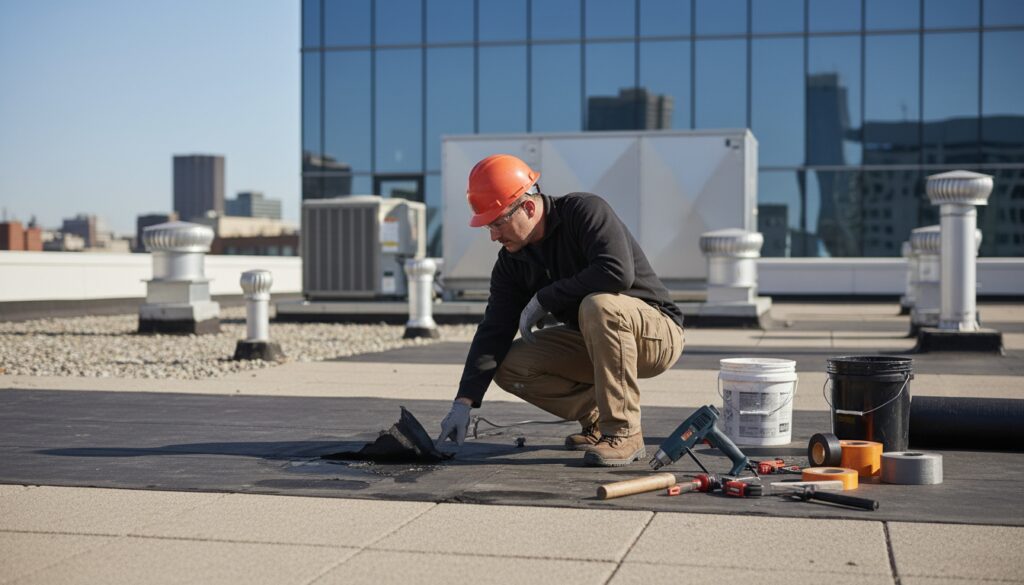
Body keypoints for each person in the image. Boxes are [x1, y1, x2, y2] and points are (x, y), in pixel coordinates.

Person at [436, 154, 685, 466]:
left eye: (498, 222)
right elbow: (494, 330)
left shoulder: (584, 211)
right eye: (488, 226)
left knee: (600, 305)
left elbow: (617, 273)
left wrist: (545, 298)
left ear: (527, 206)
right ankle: (595, 420)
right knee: (509, 364)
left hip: (655, 334)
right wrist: (464, 402)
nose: (494, 236)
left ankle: (624, 433)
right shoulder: (512, 262)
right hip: (597, 339)